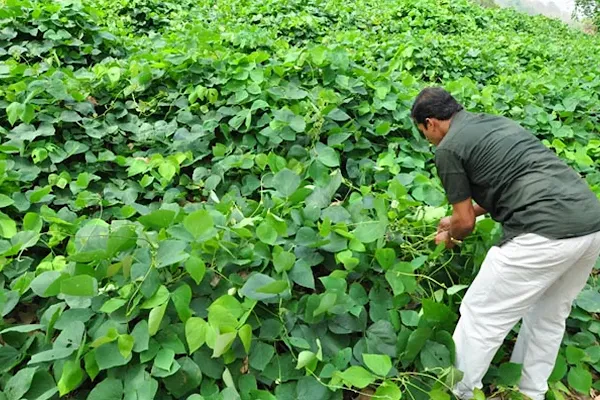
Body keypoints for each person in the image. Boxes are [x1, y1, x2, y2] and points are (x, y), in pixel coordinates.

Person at [410, 87, 600, 400]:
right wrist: (459, 217)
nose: (428, 139)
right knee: (549, 315)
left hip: (542, 231)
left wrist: (451, 234)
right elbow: (507, 181)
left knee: (481, 315)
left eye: (423, 133)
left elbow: (465, 223)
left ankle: (458, 393)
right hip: (590, 224)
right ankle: (529, 393)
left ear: (430, 123)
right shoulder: (493, 123)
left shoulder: (448, 149)